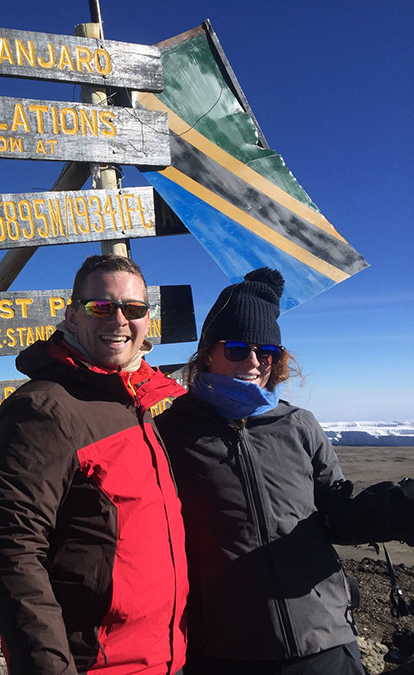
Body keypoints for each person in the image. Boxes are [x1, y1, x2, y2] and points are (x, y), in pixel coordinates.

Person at [155, 267, 414, 675]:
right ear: (208, 352)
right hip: (229, 649)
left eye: (267, 352)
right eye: (238, 348)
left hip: (325, 637)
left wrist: (397, 508)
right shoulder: (170, 434)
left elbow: (335, 513)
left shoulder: (299, 424)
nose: (254, 362)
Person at [0, 254, 188, 675]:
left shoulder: (136, 404)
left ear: (148, 319)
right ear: (72, 317)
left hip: (167, 657)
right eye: (101, 307)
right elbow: (11, 551)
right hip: (98, 664)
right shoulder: (44, 409)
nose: (119, 320)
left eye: (133, 308)